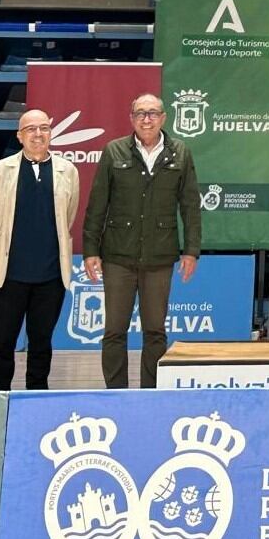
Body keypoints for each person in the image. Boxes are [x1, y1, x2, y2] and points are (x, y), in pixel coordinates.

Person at [82, 93, 201, 389]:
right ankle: (116, 393)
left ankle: (151, 392)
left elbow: (189, 206)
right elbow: (97, 204)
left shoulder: (181, 153)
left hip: (160, 256)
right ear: (131, 119)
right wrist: (90, 250)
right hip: (117, 256)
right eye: (140, 114)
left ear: (163, 118)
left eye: (152, 113)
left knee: (155, 331)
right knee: (114, 331)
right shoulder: (114, 151)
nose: (146, 119)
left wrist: (192, 250)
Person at [0, 109, 79, 390]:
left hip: (50, 276)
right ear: (20, 136)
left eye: (43, 128)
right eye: (30, 129)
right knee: (3, 342)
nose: (38, 134)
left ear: (50, 133)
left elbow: (67, 216)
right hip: (9, 275)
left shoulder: (67, 170)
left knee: (42, 342)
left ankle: (37, 396)